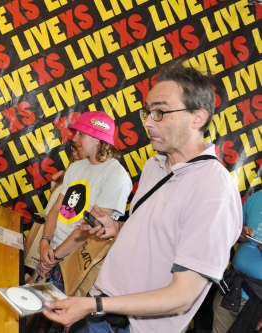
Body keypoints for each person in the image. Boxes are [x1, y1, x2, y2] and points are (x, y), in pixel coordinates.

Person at [42, 61, 243, 333]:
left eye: (160, 112)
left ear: (198, 118)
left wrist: (94, 306)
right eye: (148, 111)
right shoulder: (154, 165)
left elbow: (182, 296)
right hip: (101, 307)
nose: (148, 121)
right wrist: (115, 228)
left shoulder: (214, 191)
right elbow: (154, 236)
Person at [38, 111, 132, 280]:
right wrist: (45, 241)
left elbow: (91, 228)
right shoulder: (76, 168)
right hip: (51, 253)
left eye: (81, 134)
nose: (74, 139)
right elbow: (56, 209)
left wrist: (55, 257)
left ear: (98, 139)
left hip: (73, 263)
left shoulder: (115, 176)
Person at [211, 190, 262, 333]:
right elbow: (236, 228)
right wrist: (240, 232)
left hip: (258, 300)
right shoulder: (257, 197)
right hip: (231, 287)